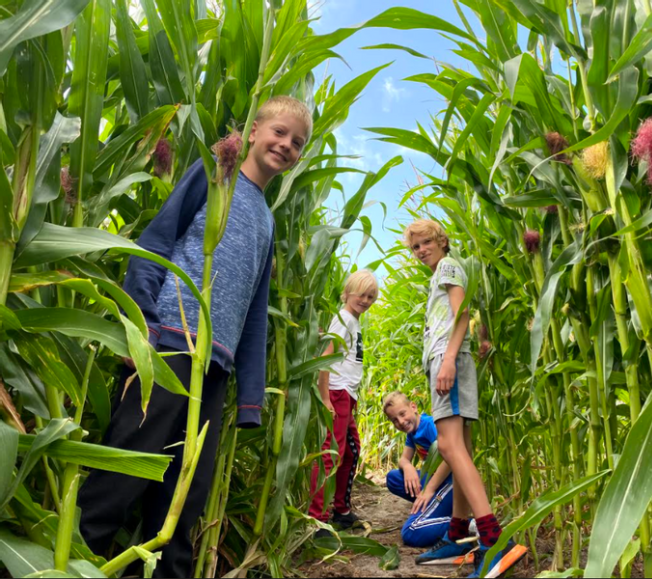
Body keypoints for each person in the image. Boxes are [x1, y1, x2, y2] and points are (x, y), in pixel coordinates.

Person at [78, 96, 313, 577]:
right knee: (125, 469)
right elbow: (156, 242)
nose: (286, 145)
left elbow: (253, 317)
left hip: (215, 368)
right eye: (279, 132)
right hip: (171, 345)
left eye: (297, 142)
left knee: (185, 499)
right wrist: (140, 321)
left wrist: (250, 397)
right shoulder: (214, 175)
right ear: (253, 132)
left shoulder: (267, 221)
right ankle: (74, 561)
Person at [403, 219, 527, 578]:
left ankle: (492, 539)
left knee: (449, 445)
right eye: (416, 247)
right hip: (447, 362)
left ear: (441, 241)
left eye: (427, 242)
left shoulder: (448, 265)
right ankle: (458, 535)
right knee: (460, 450)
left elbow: (463, 315)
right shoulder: (441, 270)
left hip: (450, 361)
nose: (422, 249)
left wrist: (447, 361)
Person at [309, 269, 378, 536]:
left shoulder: (352, 320)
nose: (365, 300)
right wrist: (325, 397)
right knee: (330, 455)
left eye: (371, 296)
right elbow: (326, 359)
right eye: (361, 294)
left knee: (350, 451)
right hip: (336, 393)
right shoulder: (345, 319)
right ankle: (317, 520)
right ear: (348, 292)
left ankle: (341, 510)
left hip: (346, 394)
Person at [383, 392, 459, 551]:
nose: (401, 422)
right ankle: (435, 509)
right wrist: (408, 466)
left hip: (450, 484)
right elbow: (403, 459)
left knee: (412, 531)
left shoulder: (430, 425)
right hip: (434, 480)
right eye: (394, 420)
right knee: (393, 478)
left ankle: (466, 524)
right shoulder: (412, 433)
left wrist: (428, 490)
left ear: (413, 407)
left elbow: (450, 460)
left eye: (402, 414)